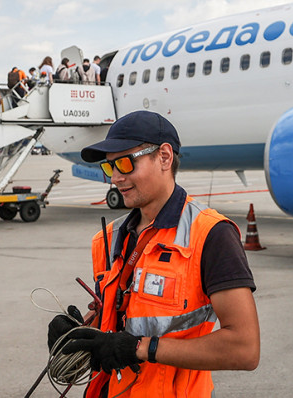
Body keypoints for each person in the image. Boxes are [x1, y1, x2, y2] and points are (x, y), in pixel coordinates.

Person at [49, 111, 260, 397]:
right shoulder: (108, 239)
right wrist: (81, 333)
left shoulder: (211, 235)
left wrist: (140, 349)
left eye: (125, 163)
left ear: (164, 157)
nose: (116, 178)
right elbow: (122, 320)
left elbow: (245, 349)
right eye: (110, 167)